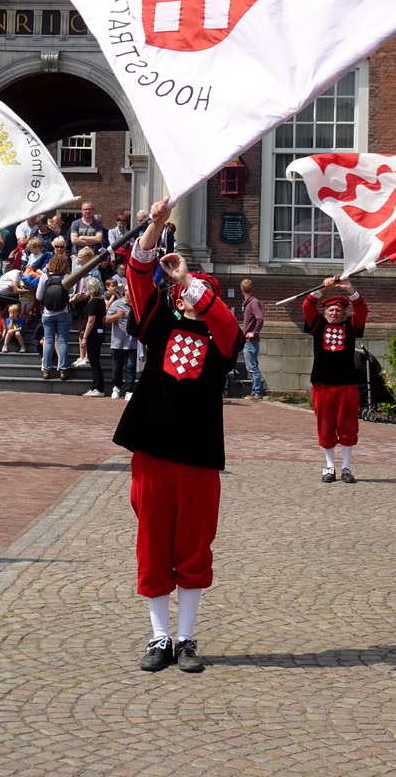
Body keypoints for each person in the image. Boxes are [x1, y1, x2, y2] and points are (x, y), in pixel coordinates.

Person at [113, 200, 243, 674]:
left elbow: (225, 322)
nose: (187, 297)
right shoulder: (158, 323)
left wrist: (190, 279)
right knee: (152, 542)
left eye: (197, 292)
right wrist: (156, 226)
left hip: (200, 453)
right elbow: (138, 273)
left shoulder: (225, 339)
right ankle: (159, 637)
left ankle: (187, 637)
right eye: (183, 292)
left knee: (194, 544)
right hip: (153, 447)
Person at [302, 275, 368, 485]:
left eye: (339, 310)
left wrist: (350, 290)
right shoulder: (317, 325)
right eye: (331, 310)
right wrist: (322, 288)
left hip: (347, 384)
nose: (334, 313)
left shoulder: (351, 326)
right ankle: (329, 467)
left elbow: (362, 311)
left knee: (347, 425)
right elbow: (307, 306)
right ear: (325, 312)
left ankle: (346, 467)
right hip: (322, 384)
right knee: (325, 424)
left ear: (344, 313)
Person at [36, 252, 72, 380]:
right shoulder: (66, 276)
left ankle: (46, 369)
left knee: (49, 340)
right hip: (63, 312)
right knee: (62, 340)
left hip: (47, 313)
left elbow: (38, 296)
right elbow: (72, 292)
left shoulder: (44, 277)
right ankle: (63, 369)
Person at [70, 246, 103, 368]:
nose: (78, 260)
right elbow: (72, 284)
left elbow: (101, 289)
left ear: (88, 258)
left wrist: (89, 293)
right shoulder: (77, 269)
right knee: (80, 330)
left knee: (87, 330)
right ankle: (81, 355)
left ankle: (88, 357)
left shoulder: (95, 272)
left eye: (80, 257)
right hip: (78, 302)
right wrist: (73, 296)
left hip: (89, 302)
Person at [105, 284, 137, 401]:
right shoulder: (116, 304)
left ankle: (129, 390)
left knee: (130, 367)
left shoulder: (137, 305)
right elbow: (107, 319)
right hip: (118, 342)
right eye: (131, 291)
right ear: (125, 291)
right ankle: (116, 387)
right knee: (117, 367)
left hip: (132, 342)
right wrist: (116, 315)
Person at [80, 276, 107, 397]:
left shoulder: (94, 301)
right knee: (95, 361)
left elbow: (91, 320)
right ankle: (96, 386)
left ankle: (98, 387)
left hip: (93, 334)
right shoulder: (101, 300)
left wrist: (85, 337)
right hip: (99, 332)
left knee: (94, 362)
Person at [240, 278, 265, 400]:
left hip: (251, 342)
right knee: (252, 367)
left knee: (252, 367)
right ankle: (255, 391)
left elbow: (260, 318)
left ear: (241, 289)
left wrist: (254, 333)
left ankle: (257, 392)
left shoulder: (253, 303)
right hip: (249, 341)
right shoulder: (249, 303)